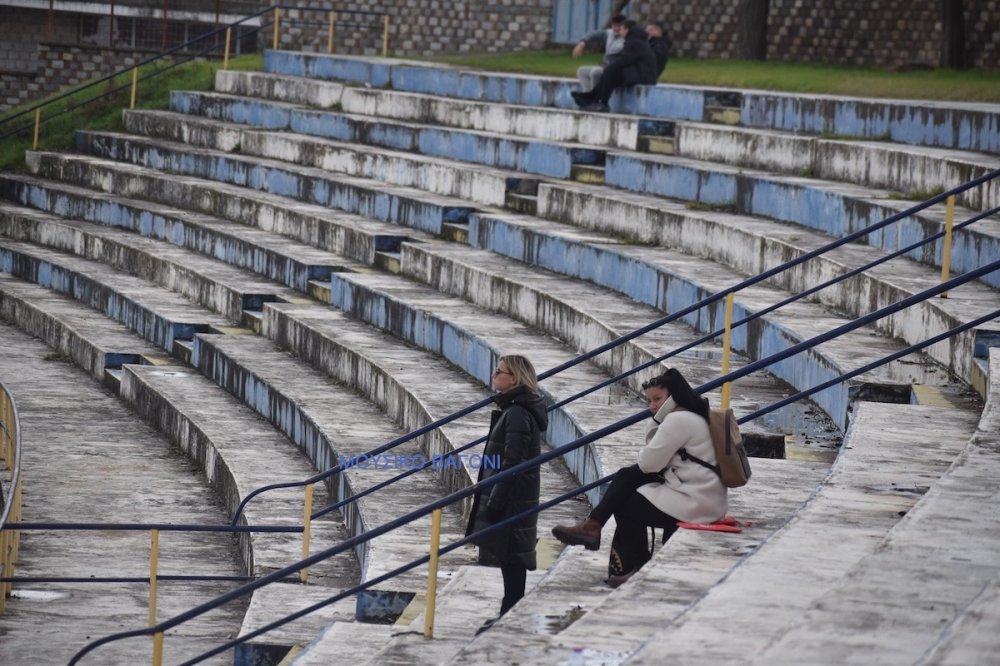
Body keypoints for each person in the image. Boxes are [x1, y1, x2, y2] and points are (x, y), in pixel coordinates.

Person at [551, 369, 727, 587]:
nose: (652, 406)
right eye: (649, 401)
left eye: (657, 399)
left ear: (673, 396)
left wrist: (655, 423)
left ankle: (626, 557)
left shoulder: (678, 420)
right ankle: (597, 530)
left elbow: (648, 463)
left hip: (697, 501)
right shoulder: (691, 415)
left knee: (626, 504)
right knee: (626, 478)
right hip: (703, 496)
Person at [466, 354, 547, 632]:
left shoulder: (517, 413)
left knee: (513, 557)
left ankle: (509, 614)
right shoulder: (515, 408)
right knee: (510, 556)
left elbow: (513, 461)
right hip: (513, 495)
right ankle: (508, 611)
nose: (493, 375)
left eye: (498, 371)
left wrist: (496, 501)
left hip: (512, 498)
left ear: (513, 378)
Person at [572, 20, 659, 113]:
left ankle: (601, 103)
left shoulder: (634, 42)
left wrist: (610, 68)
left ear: (626, 30)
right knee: (610, 71)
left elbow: (625, 60)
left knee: (611, 71)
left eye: (621, 29)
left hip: (645, 76)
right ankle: (592, 97)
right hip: (640, 72)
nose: (619, 32)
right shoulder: (635, 39)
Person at [571, 14, 628, 93]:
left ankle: (597, 98)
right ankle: (588, 97)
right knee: (582, 71)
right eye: (614, 26)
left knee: (596, 72)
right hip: (605, 66)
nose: (616, 28)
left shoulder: (628, 39)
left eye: (619, 26)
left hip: (616, 70)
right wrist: (582, 44)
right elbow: (594, 34)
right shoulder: (609, 34)